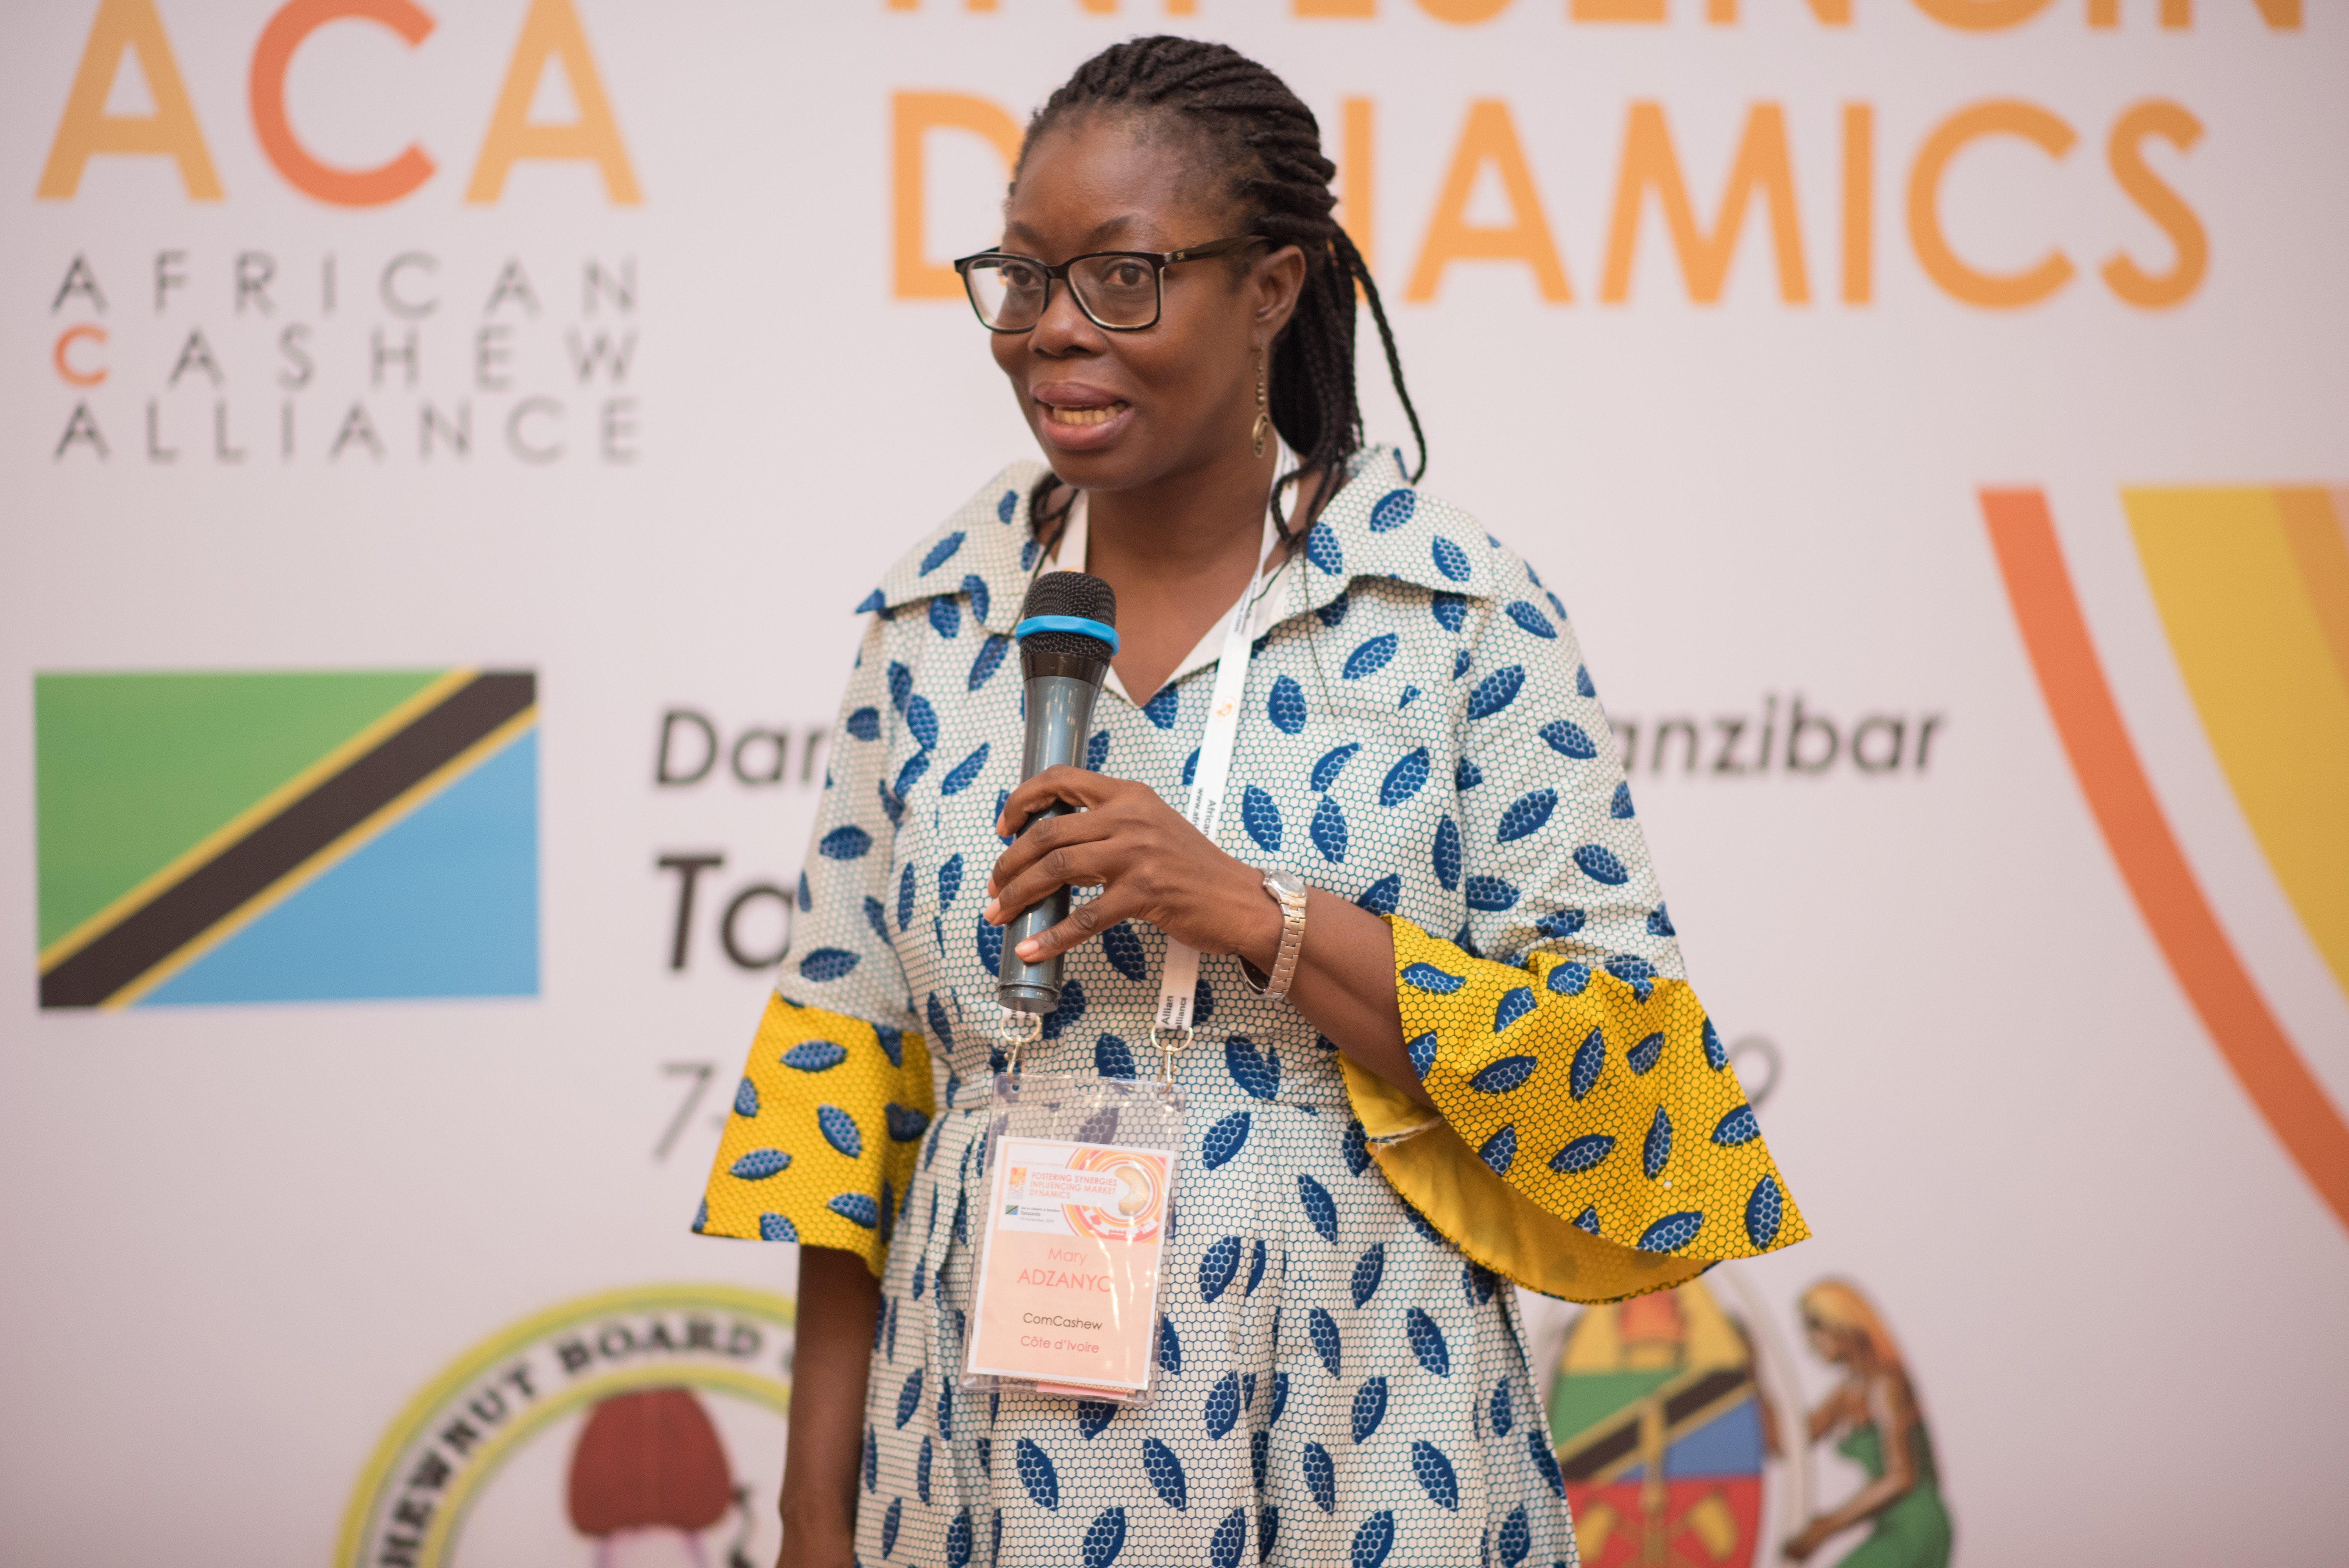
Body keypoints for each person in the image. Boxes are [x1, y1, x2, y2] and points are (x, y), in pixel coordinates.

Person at [695, 36, 1808, 1568]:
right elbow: (848, 1087)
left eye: (1121, 277)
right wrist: (813, 1511)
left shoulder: (1454, 612)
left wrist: (1254, 912)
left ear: (1271, 288)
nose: (1052, 328)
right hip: (978, 1445)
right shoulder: (935, 619)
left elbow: (1622, 1080)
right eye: (1022, 277)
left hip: (1364, 1418)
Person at [1784, 1281, 1953, 1568]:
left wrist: (1827, 1526)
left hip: (1914, 1522)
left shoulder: (1885, 1382)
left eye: (1816, 1327)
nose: (1811, 1341)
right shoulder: (1848, 1389)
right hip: (1888, 1524)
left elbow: (1900, 1477)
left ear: (1844, 1325)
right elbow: (1790, 1442)